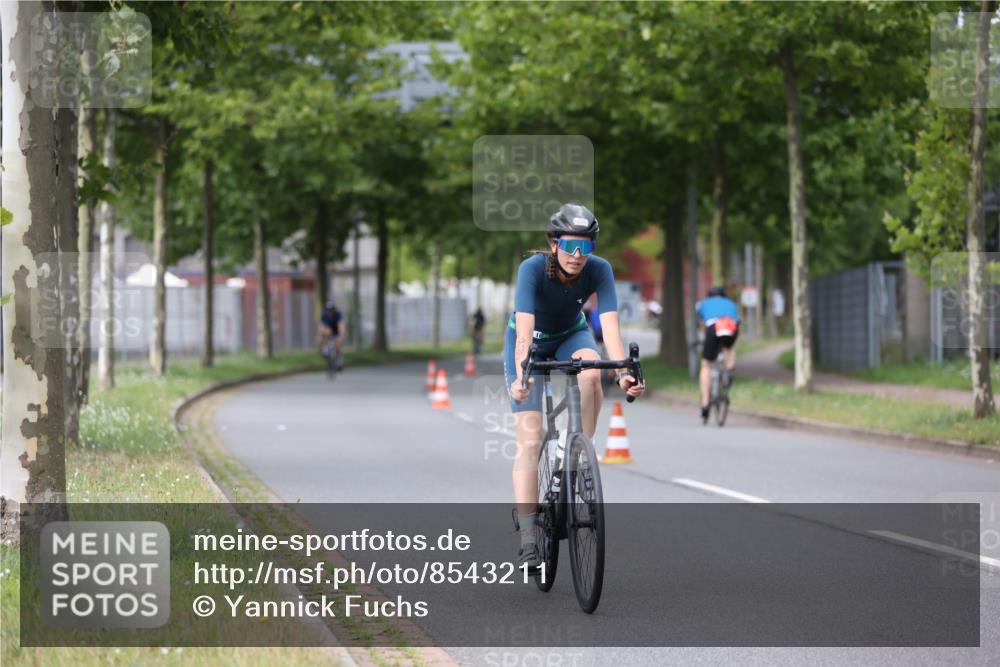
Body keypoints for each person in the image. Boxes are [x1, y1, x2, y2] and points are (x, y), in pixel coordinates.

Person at [505, 203, 644, 569]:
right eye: (570, 246)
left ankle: (579, 452)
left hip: (570, 334)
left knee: (592, 372)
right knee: (531, 439)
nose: (578, 256)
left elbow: (610, 329)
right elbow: (523, 330)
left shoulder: (600, 271)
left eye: (586, 247)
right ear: (554, 244)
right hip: (529, 341)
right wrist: (521, 378)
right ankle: (529, 536)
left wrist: (623, 373)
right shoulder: (532, 269)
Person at [696, 286, 741, 421]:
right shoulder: (731, 304)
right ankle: (728, 373)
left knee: (706, 365)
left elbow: (702, 325)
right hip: (731, 326)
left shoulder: (703, 304)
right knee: (729, 348)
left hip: (713, 327)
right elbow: (738, 322)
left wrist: (707, 341)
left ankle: (705, 404)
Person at [318, 301, 346, 368]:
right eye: (328, 310)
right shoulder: (324, 315)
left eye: (331, 310)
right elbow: (321, 326)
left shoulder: (338, 315)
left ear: (334, 310)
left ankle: (339, 359)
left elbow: (341, 326)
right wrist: (323, 333)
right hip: (328, 331)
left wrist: (341, 335)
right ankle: (325, 350)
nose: (330, 311)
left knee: (338, 343)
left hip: (336, 331)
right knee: (321, 338)